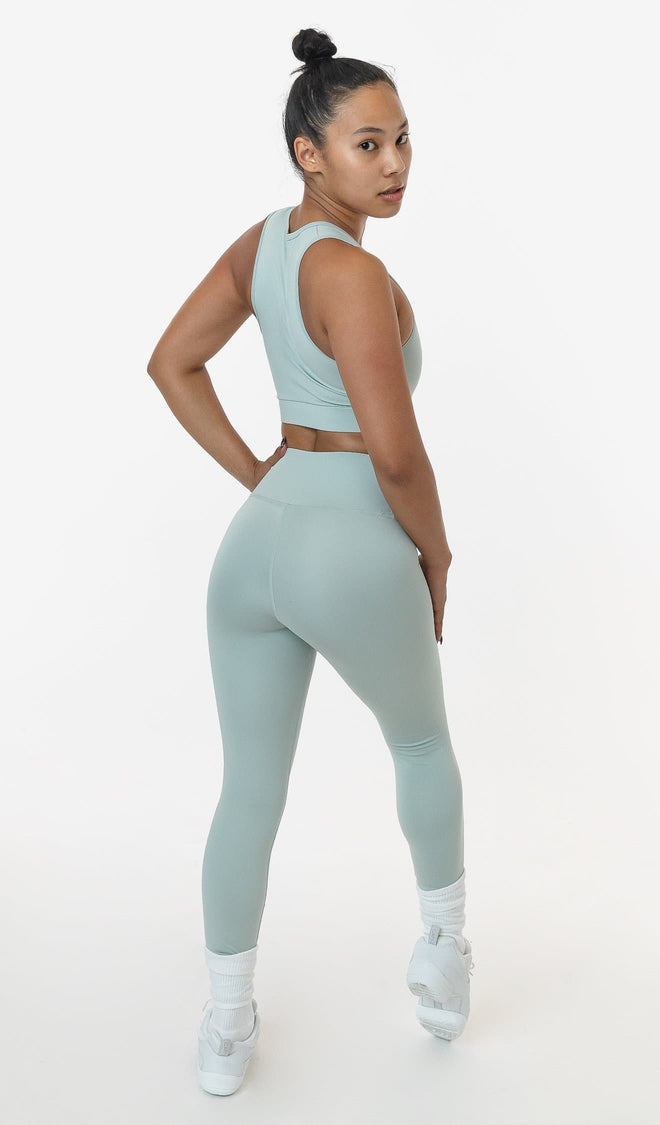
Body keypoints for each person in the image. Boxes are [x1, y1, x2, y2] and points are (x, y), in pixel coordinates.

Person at [147, 27, 474, 1097]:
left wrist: (260, 474)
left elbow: (173, 361)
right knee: (419, 741)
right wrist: (436, 553)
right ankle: (444, 955)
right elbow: (396, 453)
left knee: (249, 789)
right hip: (351, 546)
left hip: (256, 549)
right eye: (367, 144)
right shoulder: (354, 276)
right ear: (309, 153)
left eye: (403, 139)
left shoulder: (265, 246)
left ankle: (226, 1022)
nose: (394, 163)